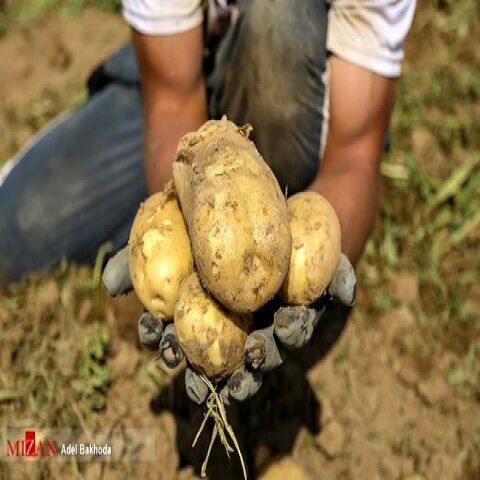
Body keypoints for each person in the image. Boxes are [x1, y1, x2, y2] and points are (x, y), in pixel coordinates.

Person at [0, 0, 416, 400]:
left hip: (309, 97)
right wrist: (183, 233)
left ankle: (278, 201)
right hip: (187, 70)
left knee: (278, 18)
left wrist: (311, 264)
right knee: (18, 228)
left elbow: (354, 153)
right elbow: (172, 101)